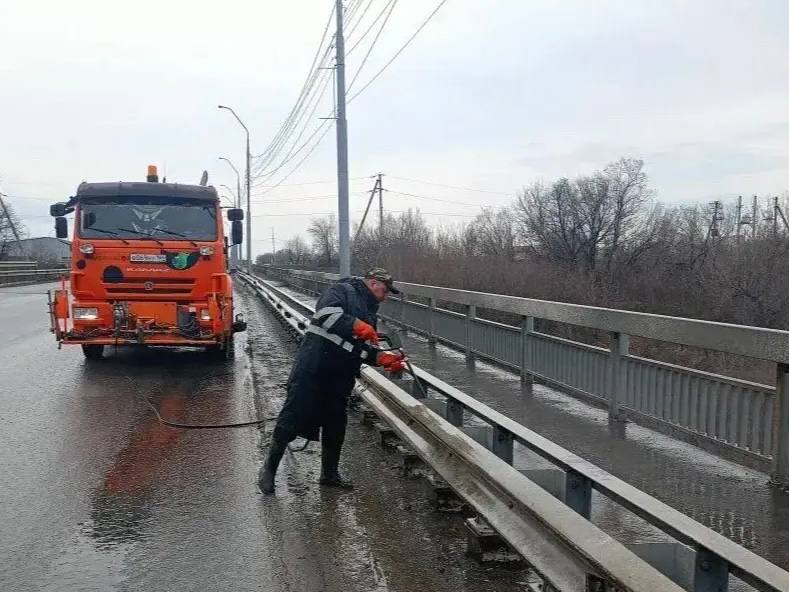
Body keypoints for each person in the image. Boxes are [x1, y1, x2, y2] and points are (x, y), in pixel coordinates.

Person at [258, 268, 406, 494]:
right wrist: (356, 325)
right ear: (373, 282)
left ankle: (329, 475)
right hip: (314, 369)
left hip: (341, 376)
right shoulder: (342, 290)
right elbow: (326, 315)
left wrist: (383, 358)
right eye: (385, 290)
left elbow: (361, 350)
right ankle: (269, 469)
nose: (386, 297)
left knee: (335, 426)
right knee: (292, 418)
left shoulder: (369, 312)